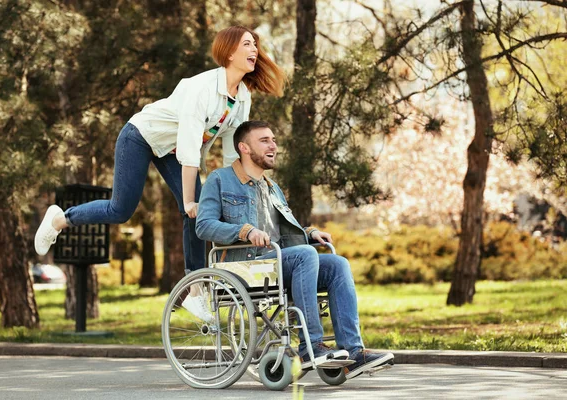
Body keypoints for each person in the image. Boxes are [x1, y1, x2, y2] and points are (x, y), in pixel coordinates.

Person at [34, 27, 285, 276]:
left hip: (172, 150)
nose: (254, 49)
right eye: (247, 44)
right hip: (142, 136)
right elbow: (189, 150)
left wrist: (237, 188)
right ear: (229, 52)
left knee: (201, 212)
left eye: (255, 44)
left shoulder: (242, 97)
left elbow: (233, 153)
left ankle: (196, 285)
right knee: (121, 210)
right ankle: (60, 219)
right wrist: (188, 201)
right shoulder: (202, 88)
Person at [195, 120, 394, 378]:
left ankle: (354, 352)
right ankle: (310, 345)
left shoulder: (272, 187)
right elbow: (204, 226)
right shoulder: (220, 179)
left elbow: (287, 232)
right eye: (264, 140)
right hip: (245, 267)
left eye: (274, 140)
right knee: (306, 255)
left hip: (278, 263)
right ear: (244, 147)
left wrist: (310, 233)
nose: (273, 146)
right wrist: (245, 231)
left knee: (337, 264)